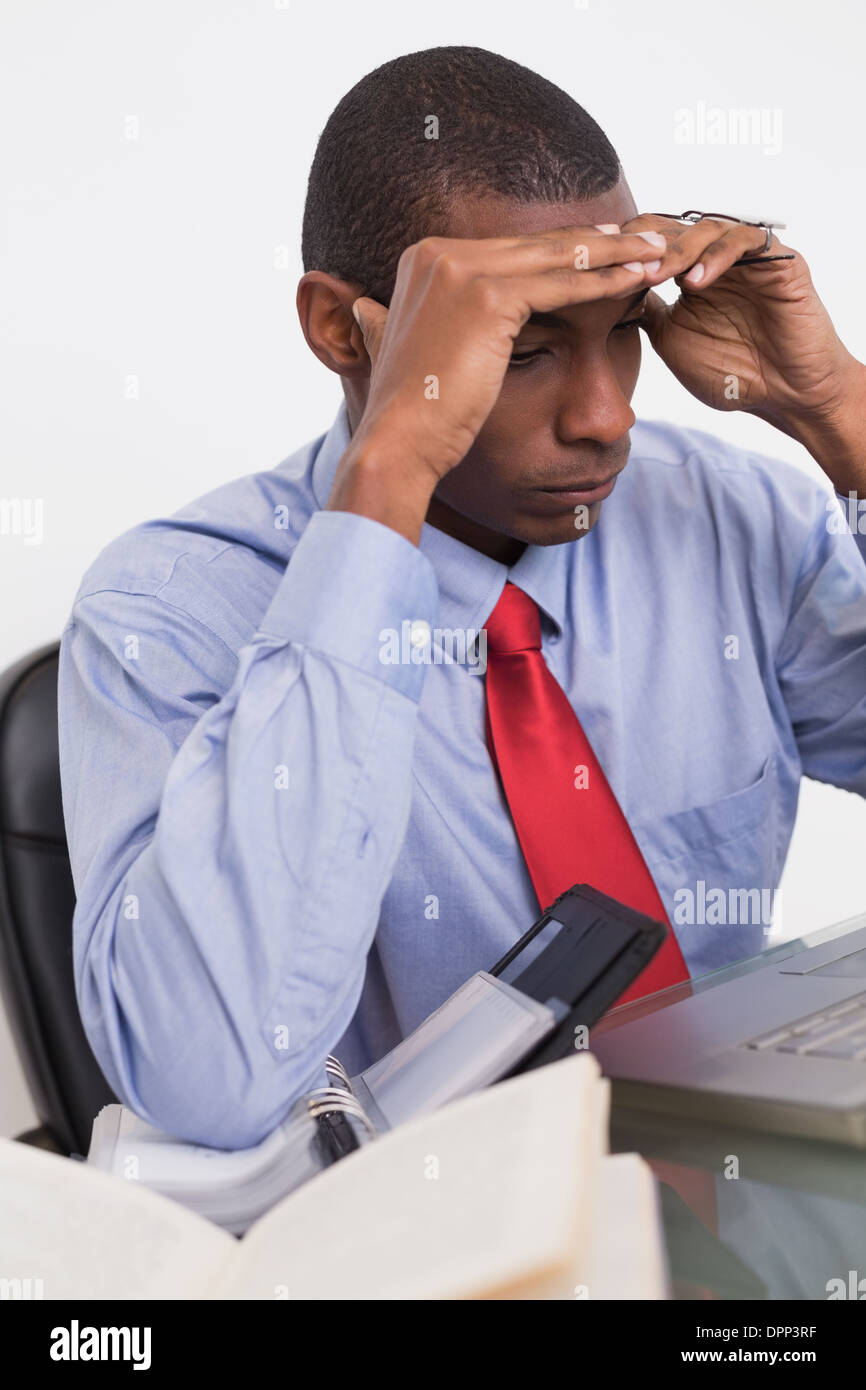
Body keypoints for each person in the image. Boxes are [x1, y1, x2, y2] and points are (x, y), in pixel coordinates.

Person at [58, 46, 866, 1148]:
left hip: (732, 1216)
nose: (605, 417)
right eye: (524, 349)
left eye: (623, 332)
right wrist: (390, 470)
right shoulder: (166, 610)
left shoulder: (725, 514)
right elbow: (207, 1082)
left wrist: (839, 411)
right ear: (344, 330)